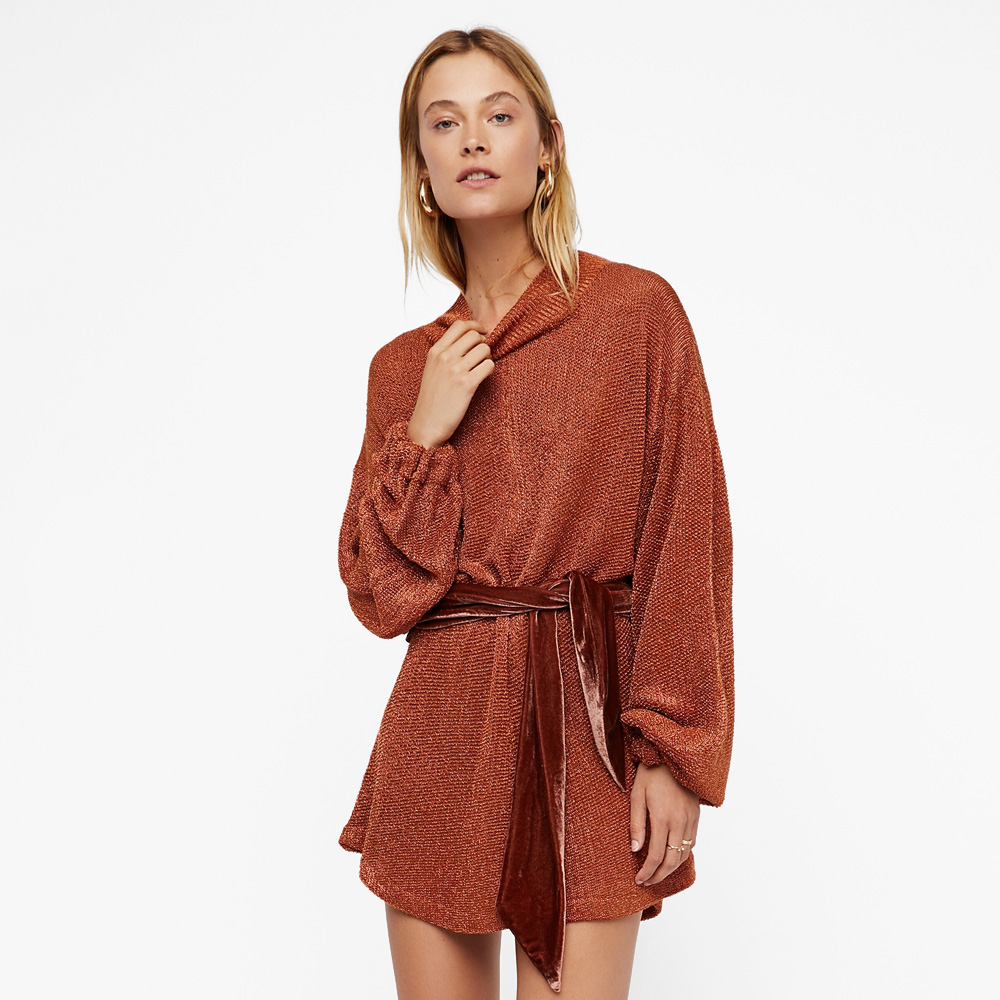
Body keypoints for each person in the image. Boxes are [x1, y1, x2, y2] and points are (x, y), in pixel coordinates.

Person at [337, 26, 735, 1000]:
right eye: (444, 123)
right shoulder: (402, 369)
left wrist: (672, 749)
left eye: (500, 115)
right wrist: (422, 435)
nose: (473, 138)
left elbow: (686, 535)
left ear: (548, 146)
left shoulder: (635, 315)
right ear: (421, 169)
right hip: (442, 730)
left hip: (586, 724)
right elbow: (380, 596)